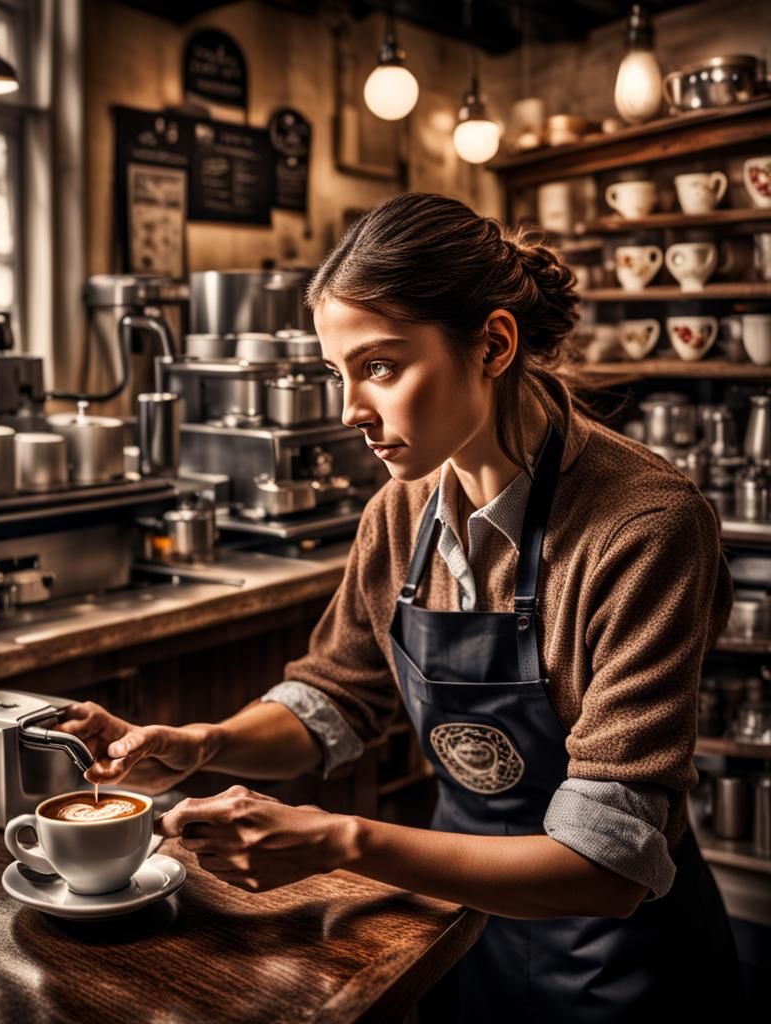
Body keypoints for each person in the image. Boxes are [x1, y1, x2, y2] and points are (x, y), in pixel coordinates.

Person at [57, 193, 743, 1021]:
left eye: (379, 367)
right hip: (449, 923)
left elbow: (606, 866)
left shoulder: (644, 527)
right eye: (337, 374)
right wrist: (204, 745)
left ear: (493, 344)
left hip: (614, 961)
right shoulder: (400, 508)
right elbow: (336, 696)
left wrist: (340, 840)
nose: (350, 410)